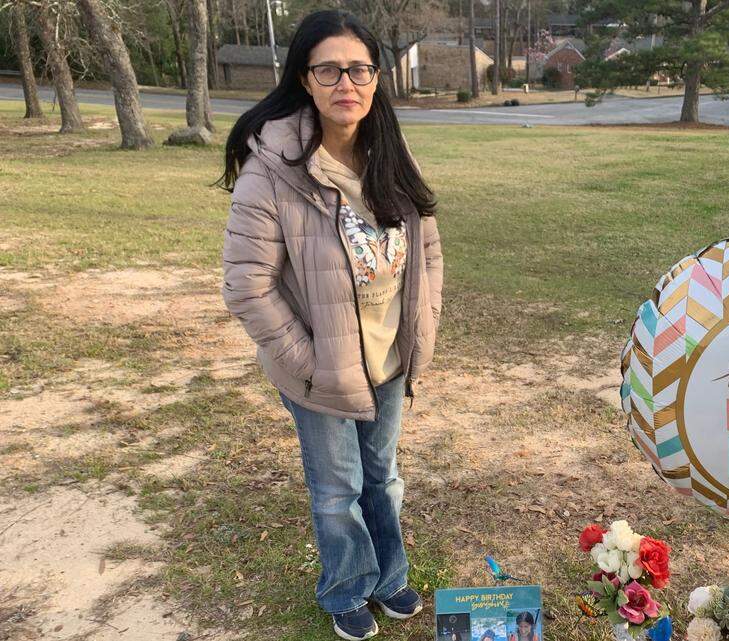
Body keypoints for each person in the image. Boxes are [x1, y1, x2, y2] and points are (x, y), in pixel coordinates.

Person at [218, 9, 442, 641]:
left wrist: (421, 325)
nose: (347, 81)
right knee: (337, 489)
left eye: (361, 68)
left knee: (385, 479)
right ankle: (346, 586)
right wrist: (310, 363)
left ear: (376, 79)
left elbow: (429, 246)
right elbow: (246, 286)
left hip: (390, 357)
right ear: (306, 79)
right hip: (317, 367)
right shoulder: (273, 169)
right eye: (329, 69)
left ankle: (388, 574)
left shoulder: (390, 153)